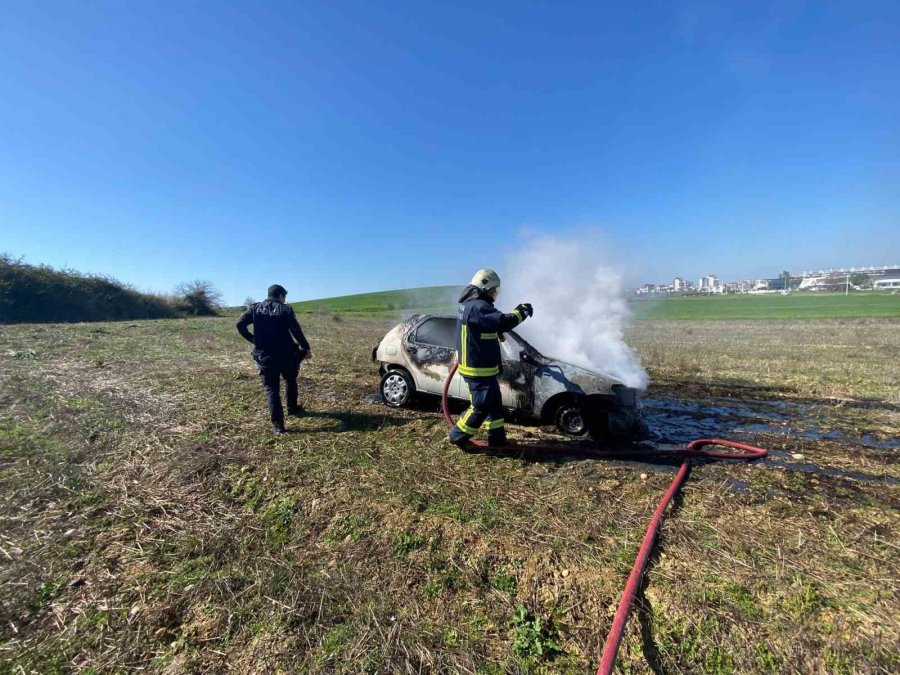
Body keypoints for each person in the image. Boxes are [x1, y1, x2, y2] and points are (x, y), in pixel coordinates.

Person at [449, 269, 532, 449]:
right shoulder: (478, 307)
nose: (495, 293)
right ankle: (458, 436)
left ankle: (497, 439)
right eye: (494, 290)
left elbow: (482, 326)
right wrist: (521, 312)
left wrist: (494, 331)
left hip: (481, 365)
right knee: (481, 406)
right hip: (477, 368)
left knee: (493, 404)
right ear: (484, 287)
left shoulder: (470, 304)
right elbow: (503, 321)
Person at [236, 284, 312, 434]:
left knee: (271, 388)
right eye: (284, 297)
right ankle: (292, 408)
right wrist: (305, 348)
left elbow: (239, 324)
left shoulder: (254, 308)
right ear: (281, 296)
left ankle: (278, 426)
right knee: (290, 379)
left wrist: (253, 340)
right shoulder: (285, 309)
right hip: (287, 354)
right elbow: (295, 330)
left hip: (264, 356)